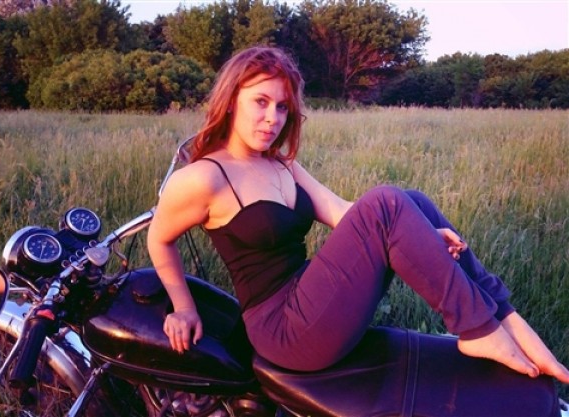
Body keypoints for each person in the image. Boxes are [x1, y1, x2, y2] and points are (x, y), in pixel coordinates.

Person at [147, 46, 569, 384]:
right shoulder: (204, 178)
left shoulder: (280, 163)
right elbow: (159, 237)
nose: (273, 118)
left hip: (312, 301)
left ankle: (506, 316)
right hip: (283, 329)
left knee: (411, 200)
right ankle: (477, 329)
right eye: (261, 102)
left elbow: (344, 213)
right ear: (230, 101)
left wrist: (420, 230)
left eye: (283, 107)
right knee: (388, 202)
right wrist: (183, 307)